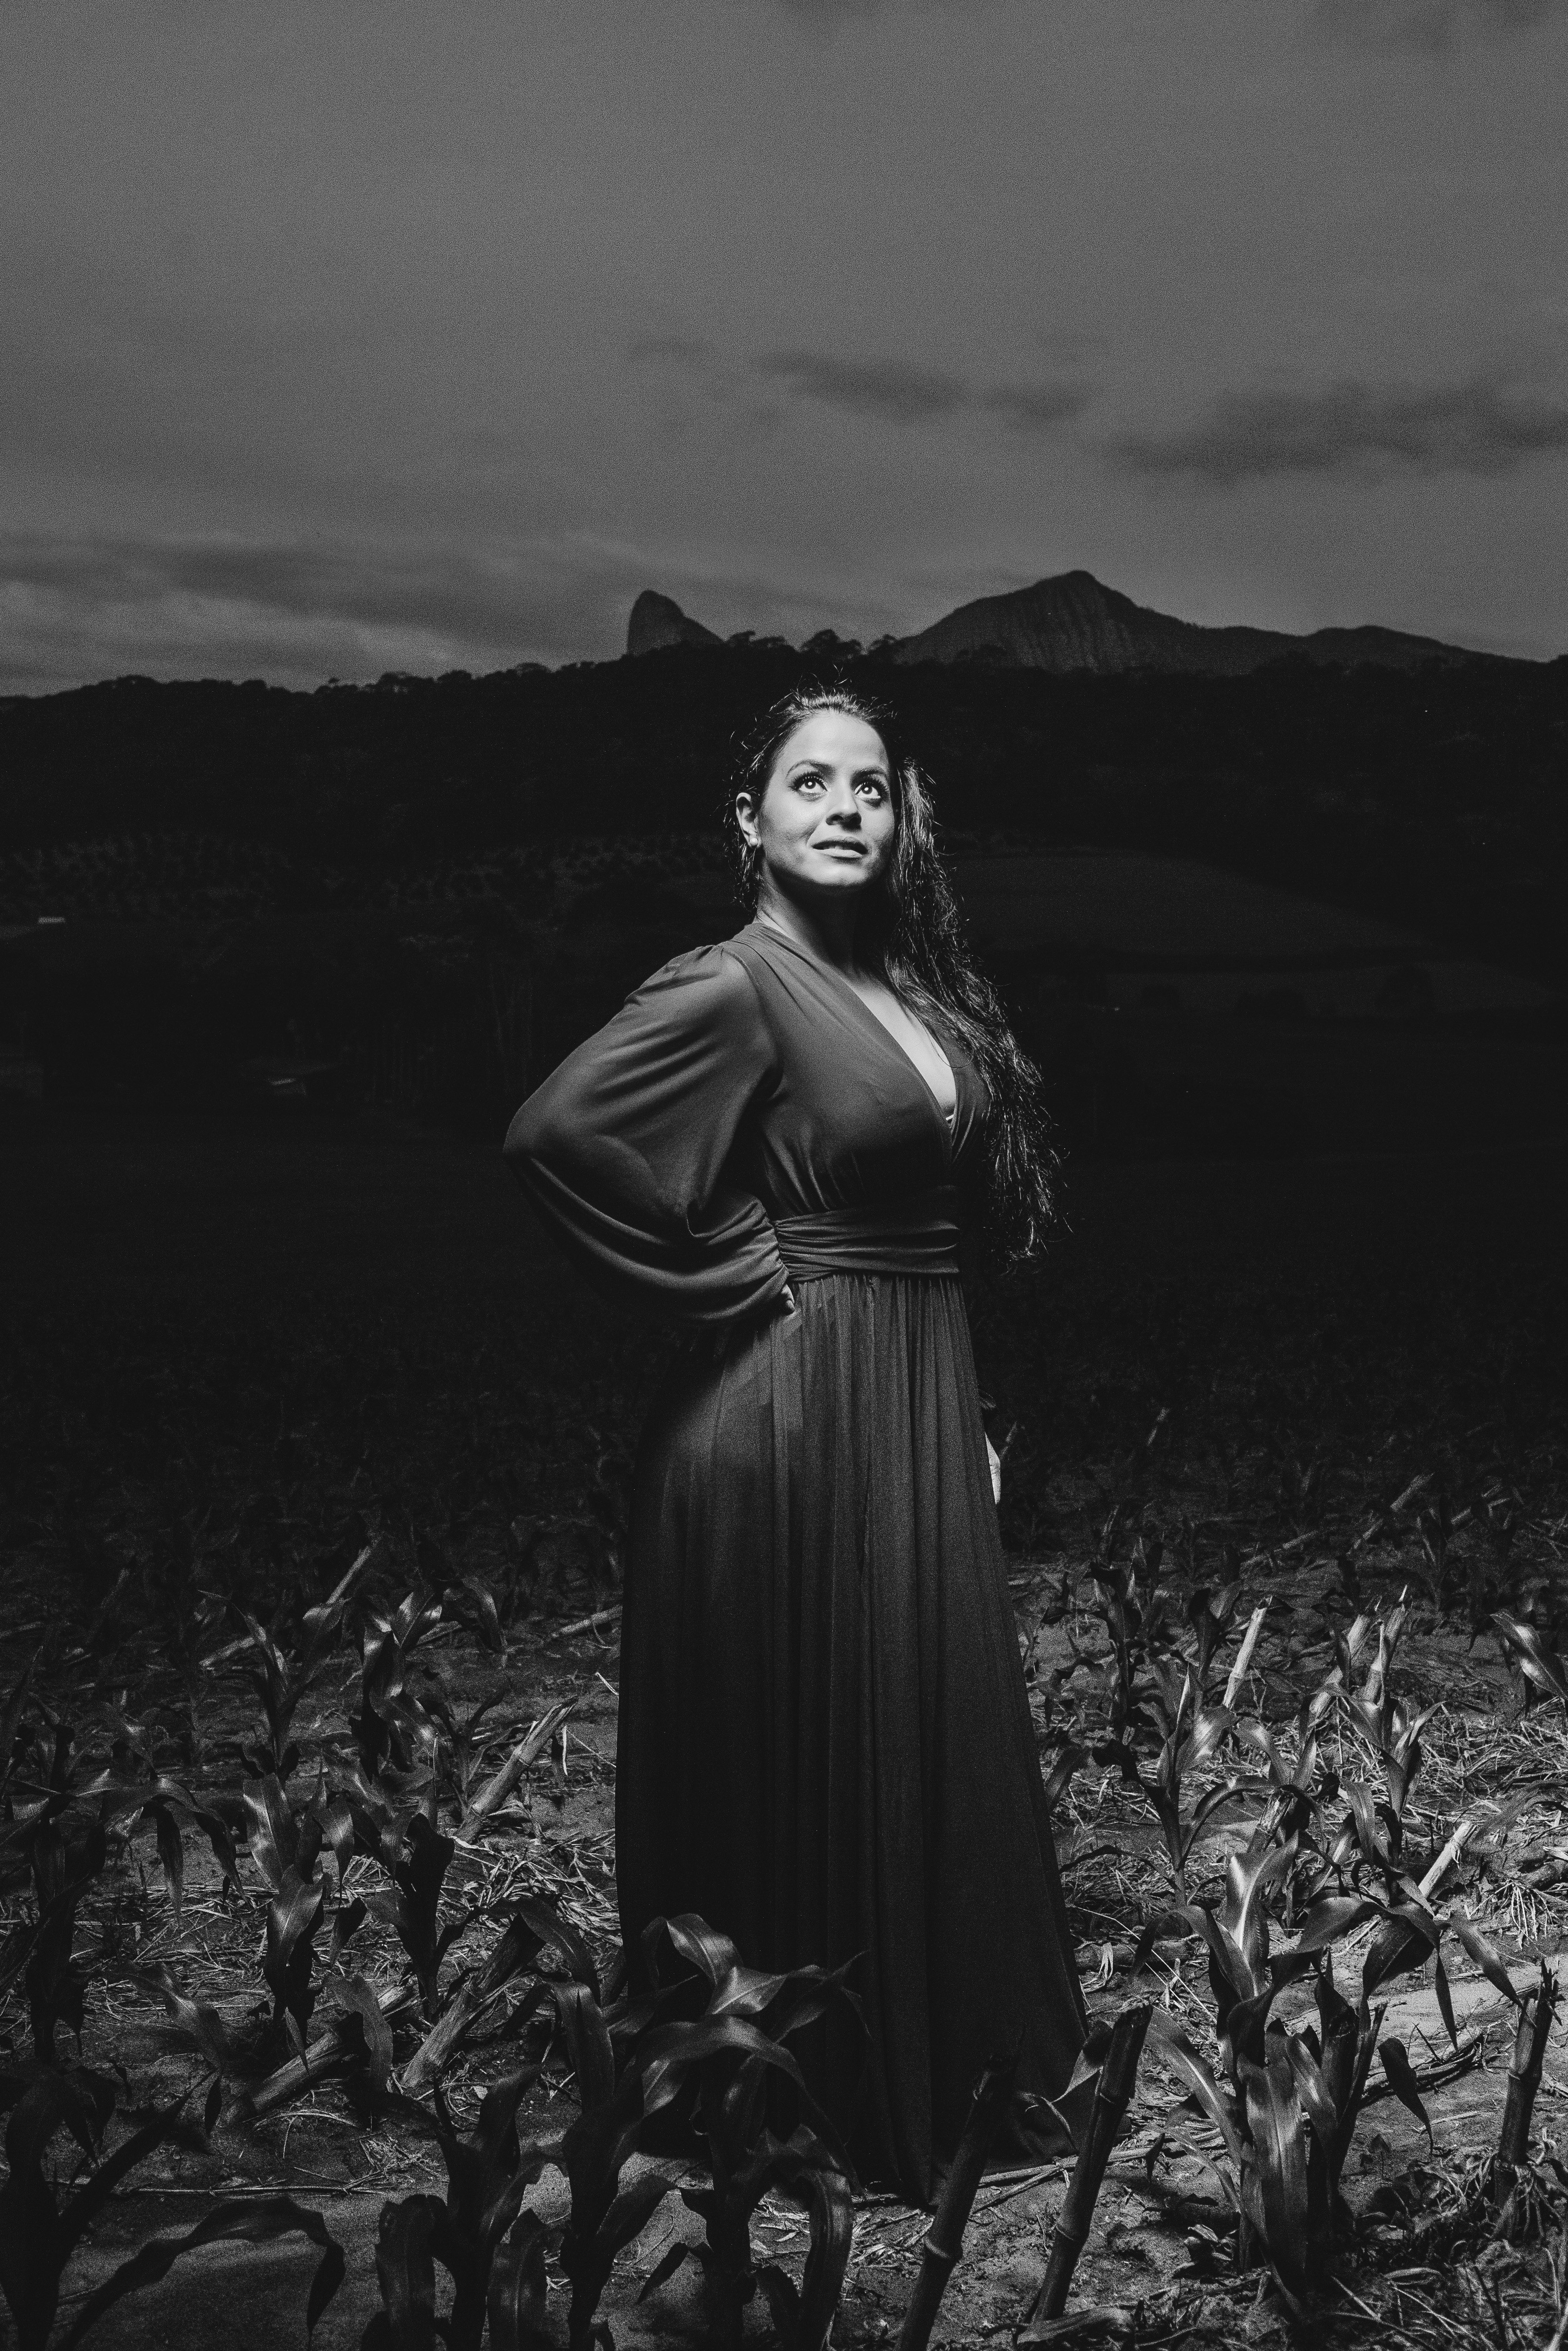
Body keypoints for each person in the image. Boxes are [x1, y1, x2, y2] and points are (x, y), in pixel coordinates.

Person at [504, 684, 1085, 2202]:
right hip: (782, 1415)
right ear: (748, 819)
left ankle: (933, 2066)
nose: (844, 806)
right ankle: (798, 2104)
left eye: (873, 786)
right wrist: (740, 1276)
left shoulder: (902, 985)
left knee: (917, 1714)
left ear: (905, 819)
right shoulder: (741, 985)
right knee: (814, 1733)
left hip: (902, 1391)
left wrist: (959, 1418)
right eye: (808, 781)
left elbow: (924, 1239)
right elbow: (558, 1130)